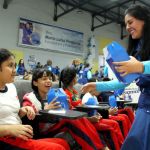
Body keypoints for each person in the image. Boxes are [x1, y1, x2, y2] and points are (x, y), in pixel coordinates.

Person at [81, 4, 150, 150]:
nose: (127, 27)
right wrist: (99, 86)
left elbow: (139, 68)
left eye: (130, 22)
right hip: (146, 105)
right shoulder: (136, 50)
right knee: (135, 142)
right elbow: (124, 81)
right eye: (125, 24)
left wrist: (141, 66)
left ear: (144, 20)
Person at [0, 48, 70, 150]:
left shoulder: (11, 87)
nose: (15, 70)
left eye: (15, 66)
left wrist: (22, 111)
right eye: (10, 66)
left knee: (63, 143)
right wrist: (9, 129)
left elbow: (8, 115)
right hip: (5, 138)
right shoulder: (29, 97)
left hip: (19, 136)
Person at [23, 68, 107, 150]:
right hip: (42, 130)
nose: (48, 81)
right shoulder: (30, 98)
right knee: (72, 121)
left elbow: (67, 110)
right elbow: (28, 115)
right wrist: (45, 111)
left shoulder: (58, 94)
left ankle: (102, 147)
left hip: (56, 123)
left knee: (80, 119)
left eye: (50, 78)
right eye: (44, 79)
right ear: (35, 83)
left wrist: (66, 104)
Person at [59, 67, 126, 150]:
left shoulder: (75, 92)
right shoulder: (65, 94)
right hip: (80, 121)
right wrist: (90, 118)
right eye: (76, 76)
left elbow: (81, 107)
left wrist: (96, 114)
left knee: (118, 121)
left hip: (86, 118)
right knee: (111, 126)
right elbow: (72, 112)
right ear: (73, 78)